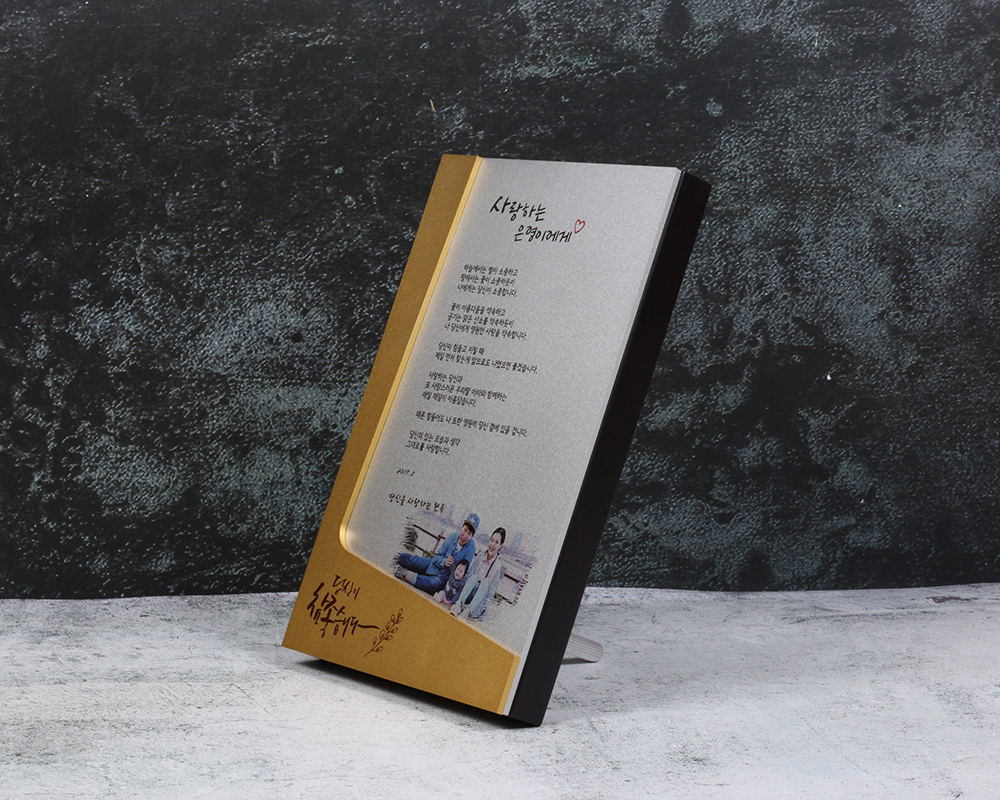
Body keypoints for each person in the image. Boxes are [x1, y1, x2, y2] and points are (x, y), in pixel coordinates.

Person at [394, 514, 479, 595]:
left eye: (469, 534)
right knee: (408, 559)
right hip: (434, 565)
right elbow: (437, 556)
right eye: (465, 530)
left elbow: (462, 572)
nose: (465, 536)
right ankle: (395, 559)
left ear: (472, 536)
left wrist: (453, 568)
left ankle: (405, 575)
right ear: (462, 527)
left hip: (444, 578)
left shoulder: (471, 548)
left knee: (432, 583)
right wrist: (444, 561)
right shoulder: (453, 536)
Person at [451, 527, 506, 620]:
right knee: (475, 577)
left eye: (497, 542)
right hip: (467, 594)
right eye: (492, 540)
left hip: (478, 603)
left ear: (501, 546)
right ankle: (458, 605)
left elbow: (490, 594)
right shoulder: (481, 556)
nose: (492, 544)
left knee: (485, 583)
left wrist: (482, 609)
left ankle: (468, 611)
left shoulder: (497, 567)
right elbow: (469, 576)